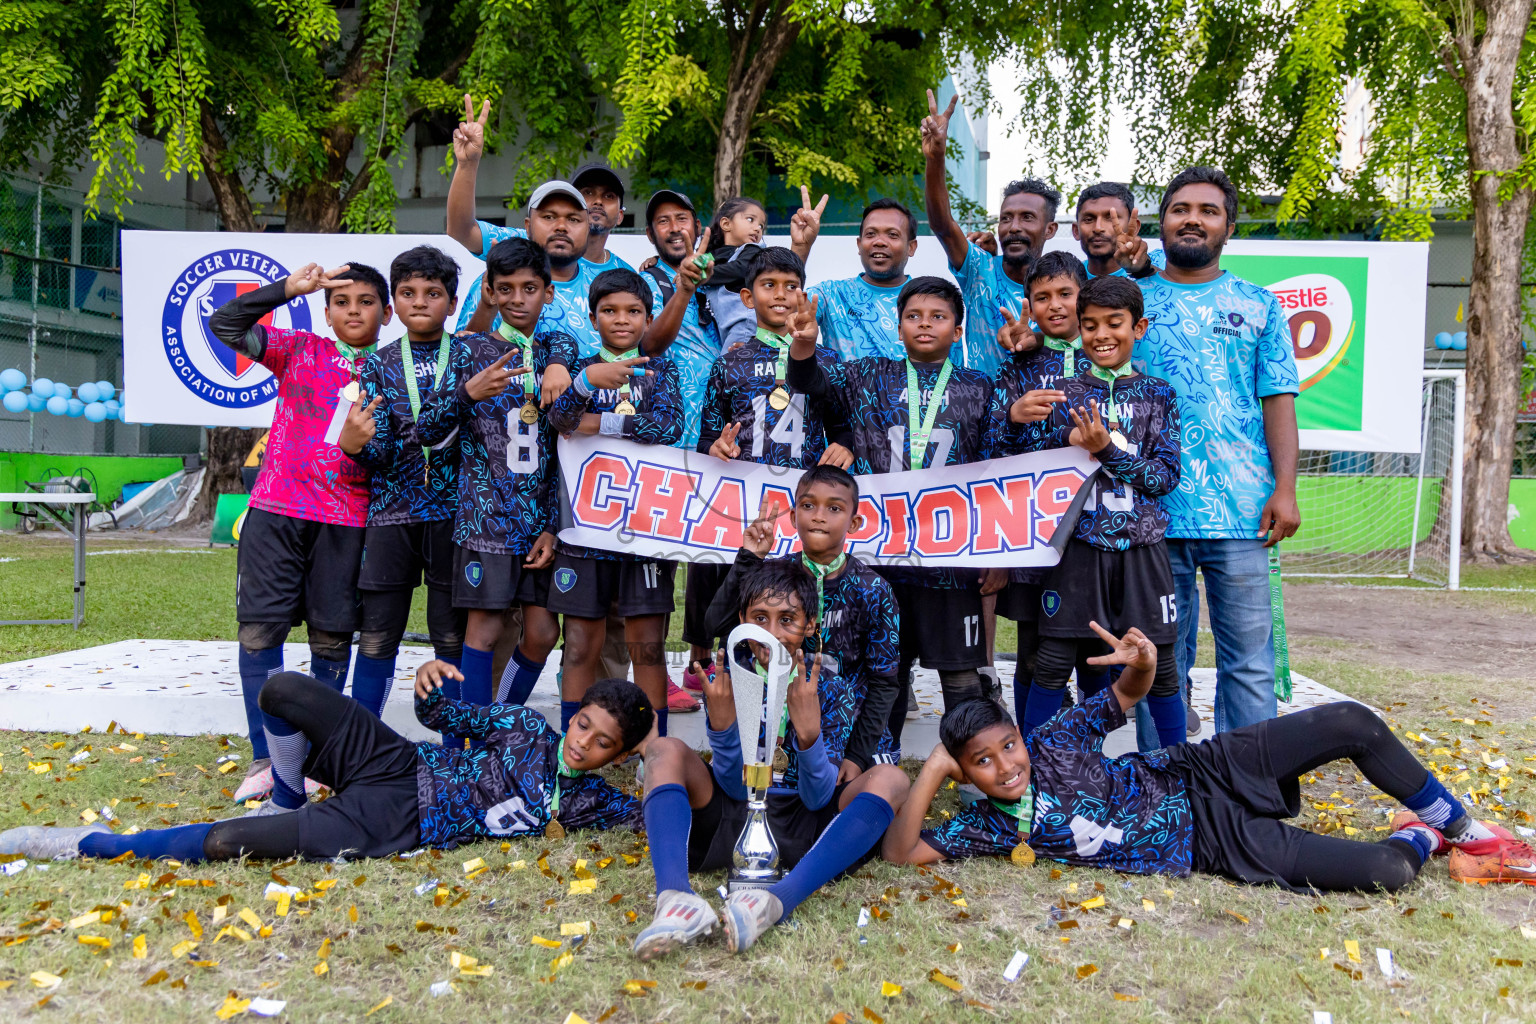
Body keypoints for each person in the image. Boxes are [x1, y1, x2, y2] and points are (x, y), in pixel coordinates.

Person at [882, 623, 1536, 891]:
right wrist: (936, 767)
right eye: (982, 763)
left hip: (1203, 771)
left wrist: (1142, 665)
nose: (1006, 765)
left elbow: (1126, 695)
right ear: (965, 773)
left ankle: (1465, 829)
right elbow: (902, 853)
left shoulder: (1054, 739)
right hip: (1210, 844)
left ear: (1023, 736)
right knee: (1387, 873)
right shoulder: (989, 829)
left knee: (1352, 721)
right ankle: (1420, 835)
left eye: (1007, 745)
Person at [0, 668, 654, 862]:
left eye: (601, 744)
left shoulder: (595, 805)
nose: (583, 743)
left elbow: (661, 815)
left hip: (396, 818)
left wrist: (658, 760)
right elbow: (441, 718)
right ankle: (288, 793)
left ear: (616, 757)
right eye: (583, 724)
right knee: (281, 691)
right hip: (397, 760)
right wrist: (429, 688)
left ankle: (89, 844)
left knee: (231, 841)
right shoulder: (522, 727)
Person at [632, 560, 910, 958]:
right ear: (742, 619)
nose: (772, 633)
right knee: (663, 749)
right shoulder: (731, 680)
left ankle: (777, 900)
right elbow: (730, 785)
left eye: (787, 619)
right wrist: (725, 732)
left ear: (810, 625)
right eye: (760, 618)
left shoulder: (826, 687)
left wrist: (810, 737)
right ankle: (676, 898)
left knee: (892, 779)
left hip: (806, 828)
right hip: (735, 820)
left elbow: (817, 798)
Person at [785, 276, 1006, 745]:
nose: (925, 325)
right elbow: (810, 384)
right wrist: (804, 346)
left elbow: (996, 472)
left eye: (938, 317)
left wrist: (995, 552)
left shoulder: (980, 386)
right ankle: (876, 768)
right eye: (914, 317)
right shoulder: (868, 374)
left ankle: (972, 775)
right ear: (898, 326)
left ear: (958, 331)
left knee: (962, 676)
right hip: (879, 560)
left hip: (952, 558)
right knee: (886, 673)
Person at [207, 260, 387, 807]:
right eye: (342, 302)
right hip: (276, 512)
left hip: (347, 520)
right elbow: (224, 326)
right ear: (328, 313)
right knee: (260, 633)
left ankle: (317, 761)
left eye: (365, 302)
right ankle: (266, 759)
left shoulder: (393, 370)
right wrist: (290, 289)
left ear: (385, 312)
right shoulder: (301, 349)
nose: (353, 310)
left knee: (331, 640)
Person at [1134, 166, 1301, 739]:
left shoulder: (1258, 306)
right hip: (1154, 513)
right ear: (1162, 222)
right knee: (1160, 666)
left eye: (1208, 211)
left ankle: (1249, 790)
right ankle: (1165, 790)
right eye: (1181, 208)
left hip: (1244, 513)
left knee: (1249, 665)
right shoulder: (1132, 303)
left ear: (1228, 226)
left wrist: (1285, 489)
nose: (1193, 219)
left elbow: (1278, 401)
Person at [1011, 275, 1185, 749]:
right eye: (1090, 326)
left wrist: (1107, 450)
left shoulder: (1159, 395)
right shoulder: (1064, 392)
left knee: (1162, 666)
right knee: (1051, 661)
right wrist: (1052, 437)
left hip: (1142, 549)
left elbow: (1165, 478)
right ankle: (1034, 775)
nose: (1102, 335)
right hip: (1077, 549)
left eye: (1114, 324)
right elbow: (1027, 461)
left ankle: (1180, 773)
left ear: (1139, 328)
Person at [412, 237, 571, 731]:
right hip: (486, 519)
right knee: (482, 630)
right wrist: (467, 392)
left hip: (539, 520)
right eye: (507, 288)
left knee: (543, 632)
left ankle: (497, 722)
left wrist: (552, 525)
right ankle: (470, 742)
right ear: (491, 291)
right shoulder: (466, 351)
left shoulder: (559, 349)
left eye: (529, 288)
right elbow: (427, 431)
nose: (518, 298)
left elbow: (567, 449)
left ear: (548, 292)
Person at [682, 247, 843, 689]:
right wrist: (715, 446)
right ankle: (717, 669)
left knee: (791, 595)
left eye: (791, 286)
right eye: (769, 285)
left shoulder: (825, 360)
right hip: (741, 503)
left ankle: (797, 684)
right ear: (748, 298)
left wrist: (844, 445)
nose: (781, 294)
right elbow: (706, 437)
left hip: (798, 504)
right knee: (729, 586)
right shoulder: (729, 361)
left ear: (804, 295)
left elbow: (842, 426)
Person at [546, 269, 683, 732]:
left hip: (643, 527)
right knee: (581, 642)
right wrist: (585, 384)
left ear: (648, 319)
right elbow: (558, 420)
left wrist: (596, 423)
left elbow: (665, 427)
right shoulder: (582, 369)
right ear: (592, 316)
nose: (621, 320)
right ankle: (574, 740)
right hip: (583, 529)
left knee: (646, 643)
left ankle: (654, 745)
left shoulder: (662, 371)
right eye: (609, 311)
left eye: (633, 312)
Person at [701, 466, 901, 783]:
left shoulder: (874, 590)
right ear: (793, 517)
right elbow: (716, 625)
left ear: (854, 522)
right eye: (808, 506)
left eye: (834, 508)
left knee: (875, 786)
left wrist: (857, 756)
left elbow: (884, 682)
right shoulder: (778, 575)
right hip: (778, 716)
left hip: (850, 726)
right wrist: (750, 559)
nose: (818, 516)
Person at [339, 245, 467, 734]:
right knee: (376, 635)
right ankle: (362, 738)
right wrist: (356, 448)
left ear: (452, 303)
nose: (420, 302)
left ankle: (455, 744)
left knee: (449, 634)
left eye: (433, 293)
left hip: (455, 515)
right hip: (392, 513)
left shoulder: (469, 355)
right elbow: (379, 448)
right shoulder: (376, 365)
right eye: (408, 293)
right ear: (394, 302)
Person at [988, 251, 1107, 722]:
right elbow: (991, 444)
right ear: (1028, 304)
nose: (1054, 305)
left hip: (1098, 532)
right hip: (1035, 531)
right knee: (1035, 648)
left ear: (1085, 297)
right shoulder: (1015, 367)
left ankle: (1090, 757)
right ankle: (1032, 755)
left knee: (1094, 649)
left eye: (1065, 294)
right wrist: (1014, 417)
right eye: (1042, 297)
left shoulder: (1108, 359)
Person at [445, 96, 629, 352]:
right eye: (549, 217)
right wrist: (467, 164)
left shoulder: (617, 281)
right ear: (528, 226)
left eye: (574, 219)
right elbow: (461, 229)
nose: (561, 226)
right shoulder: (502, 272)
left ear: (588, 226)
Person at [920, 88, 1058, 378]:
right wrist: (936, 158)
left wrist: (1040, 339)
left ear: (1050, 229)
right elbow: (943, 225)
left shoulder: (1065, 282)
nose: (1014, 226)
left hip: (1047, 418)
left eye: (1027, 218)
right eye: (1006, 218)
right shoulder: (979, 267)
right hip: (985, 416)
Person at [636, 188, 722, 451]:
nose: (674, 228)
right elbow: (648, 348)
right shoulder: (642, 283)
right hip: (672, 441)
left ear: (697, 226)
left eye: (681, 219)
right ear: (650, 234)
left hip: (724, 438)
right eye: (663, 221)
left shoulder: (723, 277)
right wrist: (685, 287)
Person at [799, 197, 920, 361]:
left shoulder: (930, 301)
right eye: (871, 234)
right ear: (859, 244)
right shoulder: (832, 295)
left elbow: (951, 376)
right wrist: (801, 247)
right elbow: (786, 311)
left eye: (892, 235)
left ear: (911, 247)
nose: (879, 242)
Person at [1073, 181, 1165, 279]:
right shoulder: (1067, 279)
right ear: (1076, 231)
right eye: (1088, 220)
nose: (1098, 228)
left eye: (1111, 218)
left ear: (1134, 227)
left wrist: (1143, 270)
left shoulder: (1163, 265)